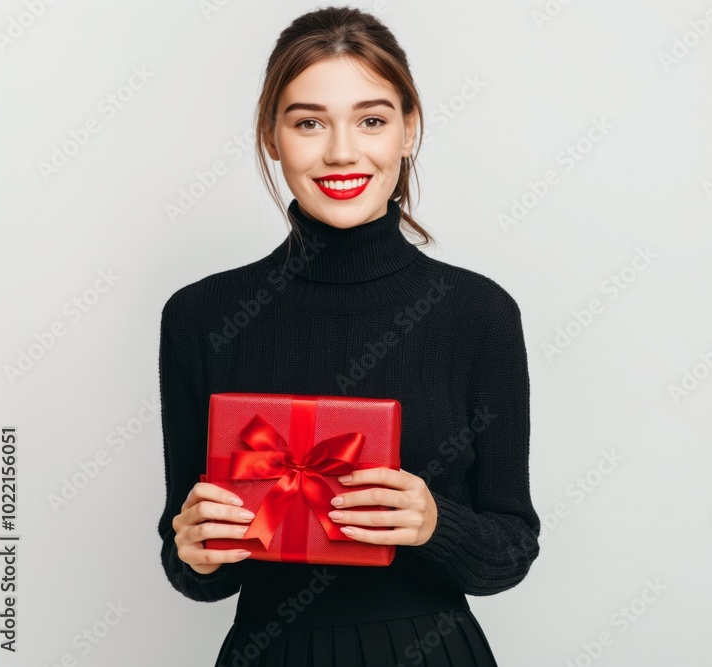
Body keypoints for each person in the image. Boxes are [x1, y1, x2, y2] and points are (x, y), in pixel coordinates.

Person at [156, 6, 541, 666]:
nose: (340, 151)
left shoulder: (479, 314)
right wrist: (195, 551)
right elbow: (192, 565)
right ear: (272, 135)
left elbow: (512, 547)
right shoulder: (200, 317)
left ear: (409, 130)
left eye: (371, 120)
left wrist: (436, 523)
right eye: (309, 122)